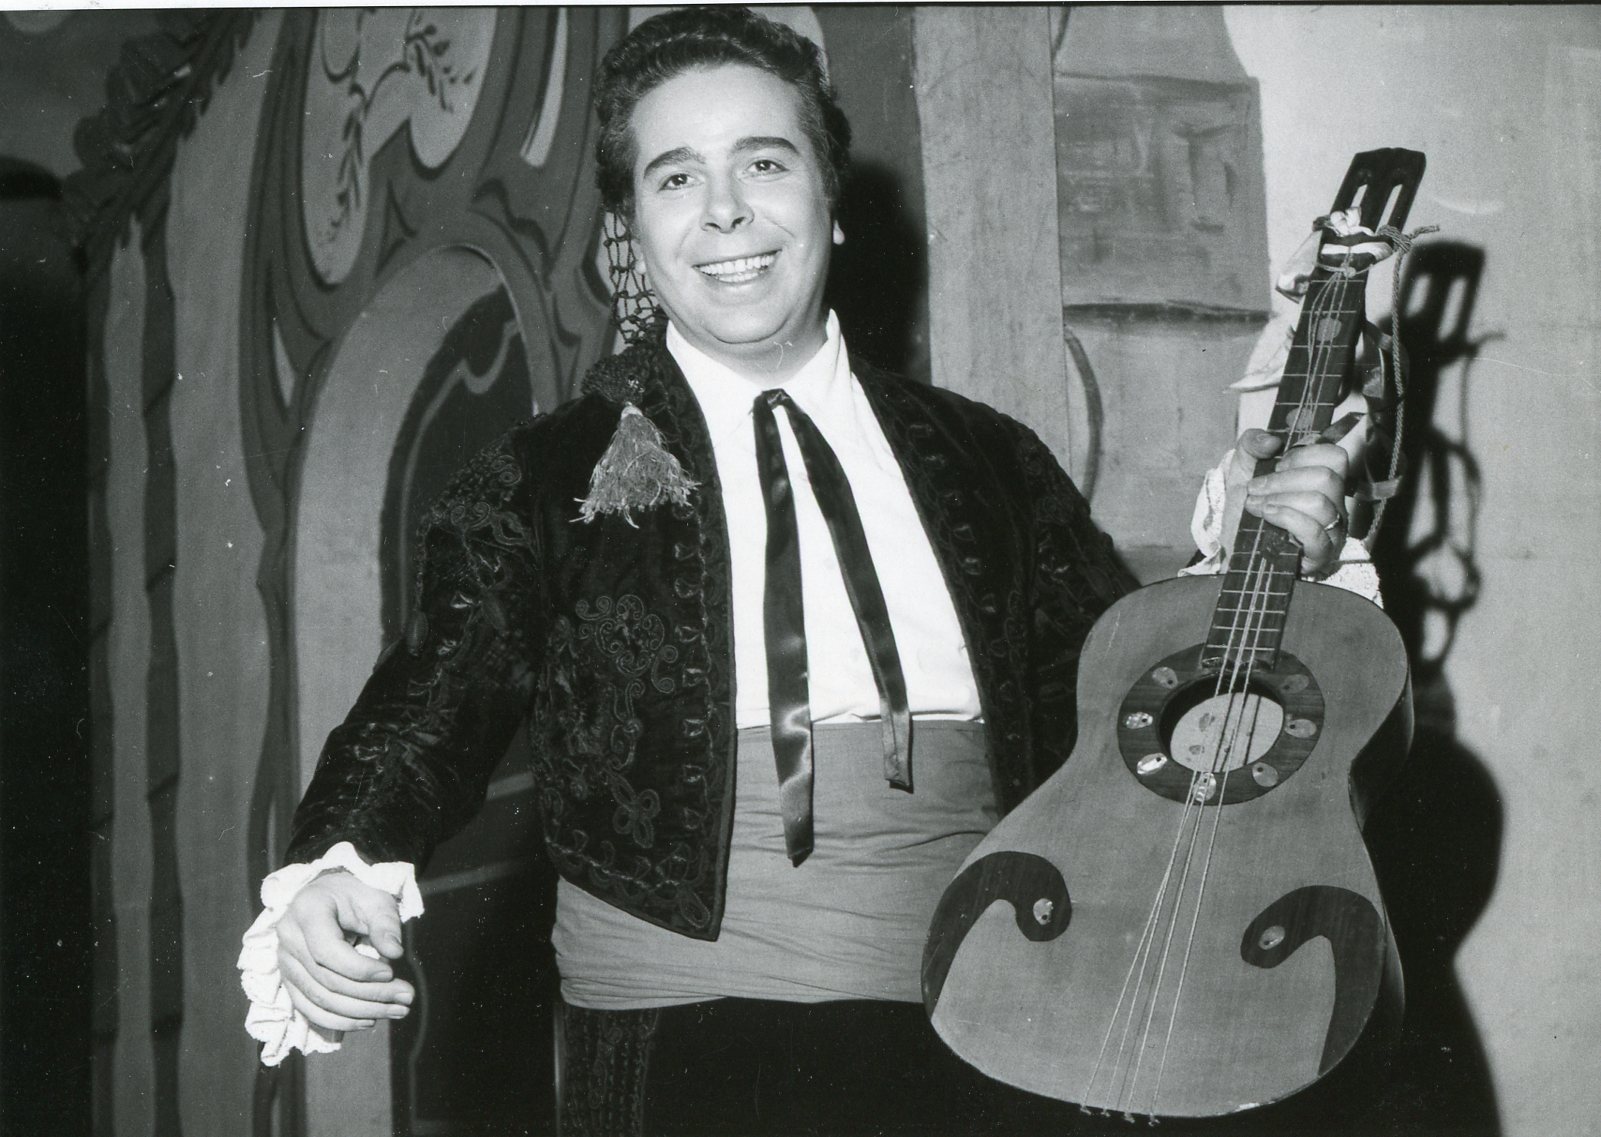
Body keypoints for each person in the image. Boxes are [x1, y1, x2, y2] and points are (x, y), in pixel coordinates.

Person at [238, 8, 1358, 1135]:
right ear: (631, 232)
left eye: (764, 163)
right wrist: (340, 859)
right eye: (676, 178)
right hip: (682, 1056)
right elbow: (429, 702)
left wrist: (1260, 556)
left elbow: (1128, 715)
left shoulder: (987, 457)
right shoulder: (540, 478)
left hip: (996, 1022)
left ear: (832, 199)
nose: (725, 209)